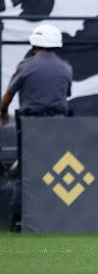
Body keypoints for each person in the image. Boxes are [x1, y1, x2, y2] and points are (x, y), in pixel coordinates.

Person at [1, 24, 72, 182]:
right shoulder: (66, 68)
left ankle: (20, 202)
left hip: (31, 125)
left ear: (35, 44)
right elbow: (64, 95)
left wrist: (3, 112)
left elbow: (8, 95)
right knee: (55, 163)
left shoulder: (26, 66)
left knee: (28, 168)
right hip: (59, 125)